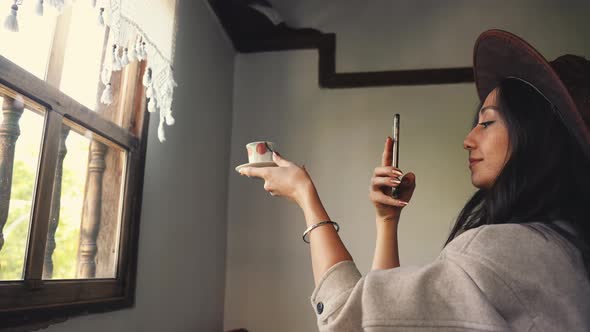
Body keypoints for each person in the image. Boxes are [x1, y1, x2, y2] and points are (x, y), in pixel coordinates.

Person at [238, 29, 590, 331]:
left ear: (539, 135)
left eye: (487, 122)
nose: (468, 139)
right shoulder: (565, 249)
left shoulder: (505, 251)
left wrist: (305, 195)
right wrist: (387, 223)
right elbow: (390, 318)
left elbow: (351, 322)